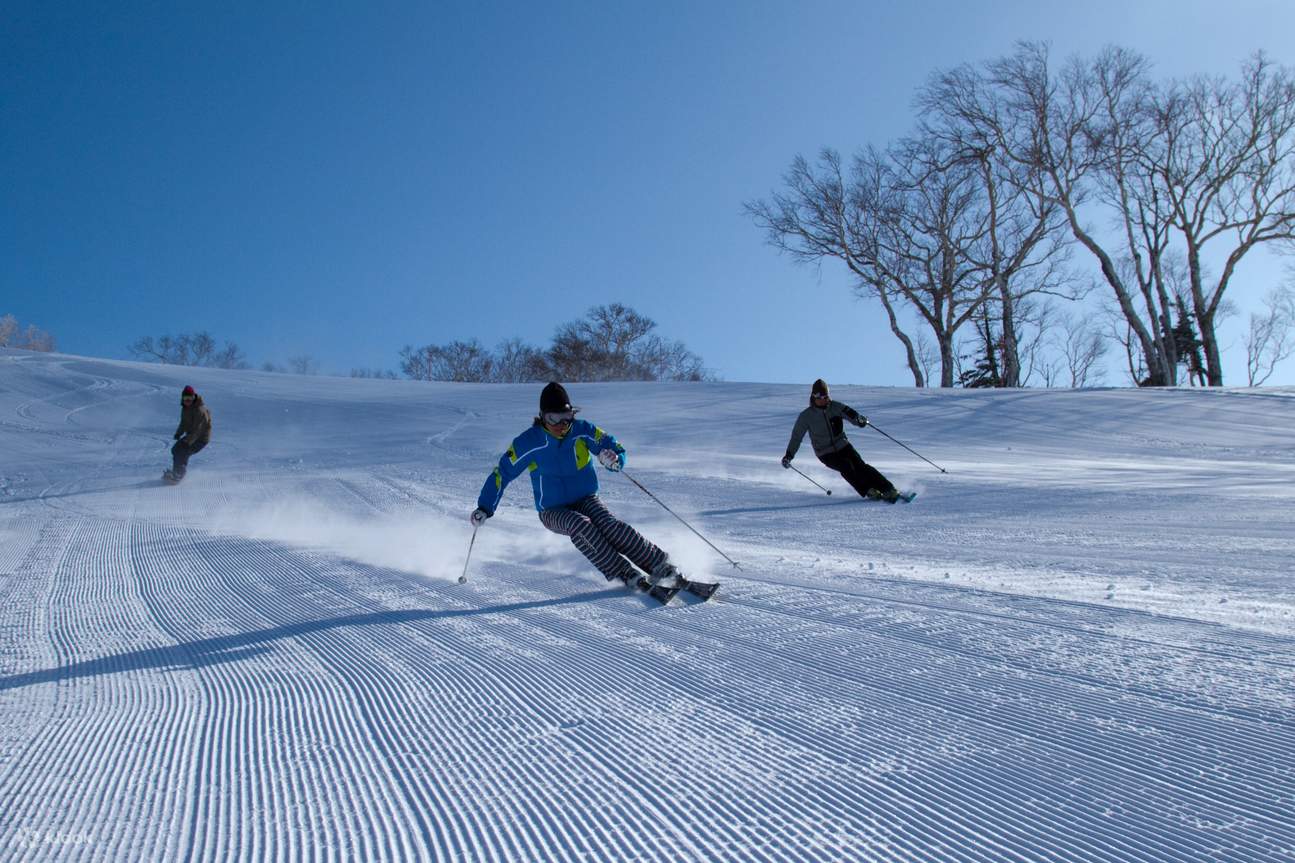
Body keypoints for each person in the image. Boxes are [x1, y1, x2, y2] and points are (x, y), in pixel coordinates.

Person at [471, 381, 684, 587]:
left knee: (609, 524)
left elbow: (613, 445)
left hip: (586, 498)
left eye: (566, 417)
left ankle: (659, 565)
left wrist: (613, 458)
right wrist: (485, 507)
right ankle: (624, 572)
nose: (561, 425)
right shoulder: (528, 442)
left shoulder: (582, 430)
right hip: (552, 510)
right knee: (580, 525)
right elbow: (502, 473)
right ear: (543, 417)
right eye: (553, 418)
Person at [782, 378, 901, 503]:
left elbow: (851, 414)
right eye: (819, 397)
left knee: (860, 466)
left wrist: (860, 420)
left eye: (825, 397)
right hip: (825, 453)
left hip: (843, 445)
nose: (823, 400)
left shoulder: (835, 407)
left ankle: (888, 489)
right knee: (846, 466)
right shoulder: (806, 416)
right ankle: (868, 490)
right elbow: (796, 437)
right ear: (813, 397)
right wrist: (789, 455)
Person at [166, 385, 212, 482]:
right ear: (182, 398)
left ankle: (179, 474)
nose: (188, 401)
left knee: (183, 452)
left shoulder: (200, 411)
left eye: (190, 399)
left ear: (194, 398)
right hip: (191, 436)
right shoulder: (186, 408)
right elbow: (183, 422)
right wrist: (179, 433)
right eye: (185, 398)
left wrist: (188, 441)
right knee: (175, 449)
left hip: (201, 438)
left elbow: (198, 430)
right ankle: (175, 471)